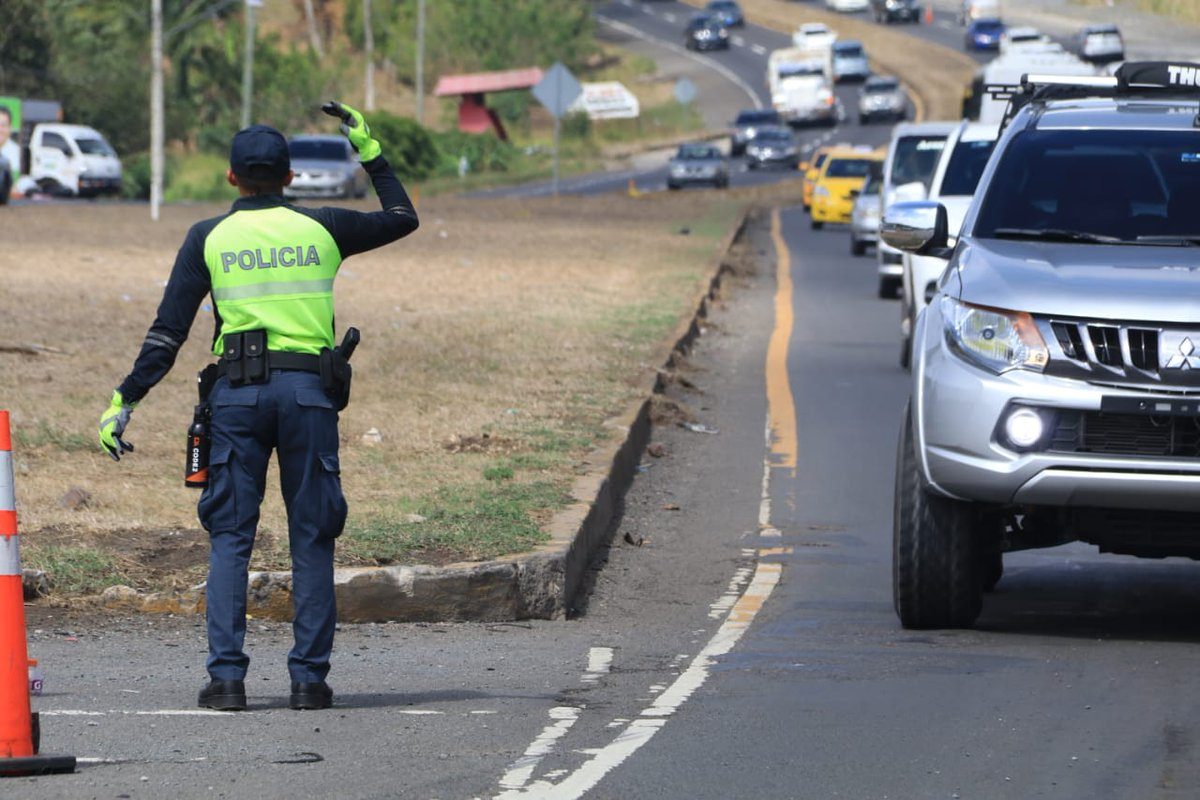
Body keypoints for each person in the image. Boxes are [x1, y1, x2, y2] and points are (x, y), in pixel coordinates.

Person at [98, 103, 418, 711]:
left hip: (236, 400)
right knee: (313, 537)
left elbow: (168, 334)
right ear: (290, 177)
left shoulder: (208, 237)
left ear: (232, 178)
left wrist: (125, 399)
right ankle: (308, 682)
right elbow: (403, 217)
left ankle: (226, 681)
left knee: (230, 538)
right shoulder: (323, 227)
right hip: (308, 397)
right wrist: (368, 150)